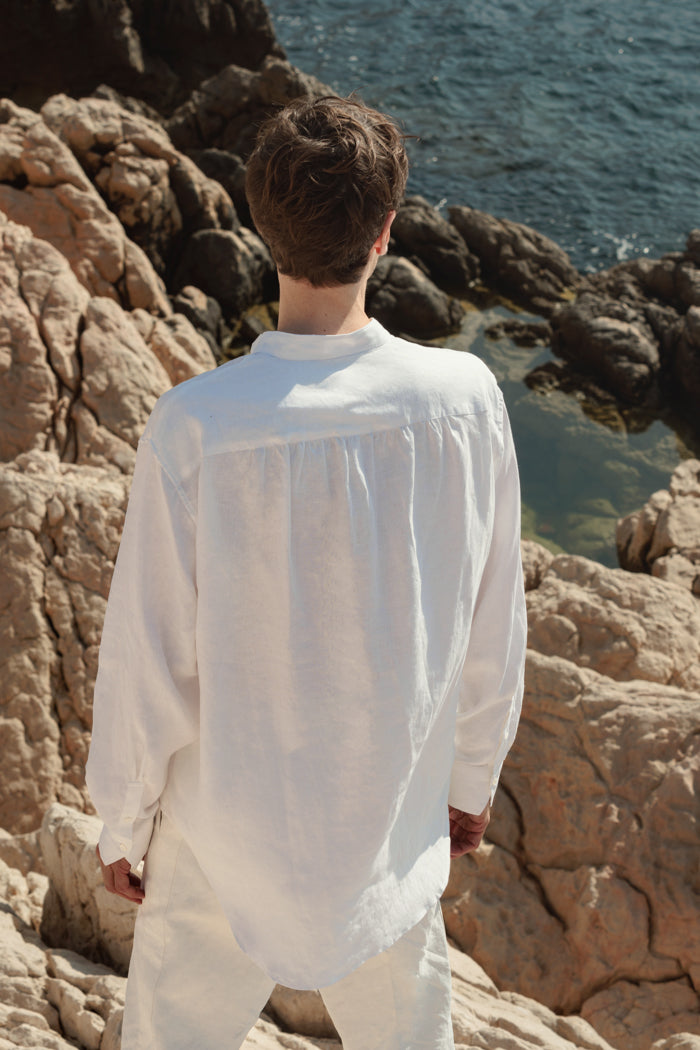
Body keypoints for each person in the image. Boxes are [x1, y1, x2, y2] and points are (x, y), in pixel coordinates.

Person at [86, 95, 527, 1050]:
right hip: (390, 821)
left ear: (258, 225)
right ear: (385, 234)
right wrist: (472, 777)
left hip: (222, 834)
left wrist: (123, 823)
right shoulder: (466, 403)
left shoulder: (198, 427)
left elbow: (148, 659)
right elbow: (493, 625)